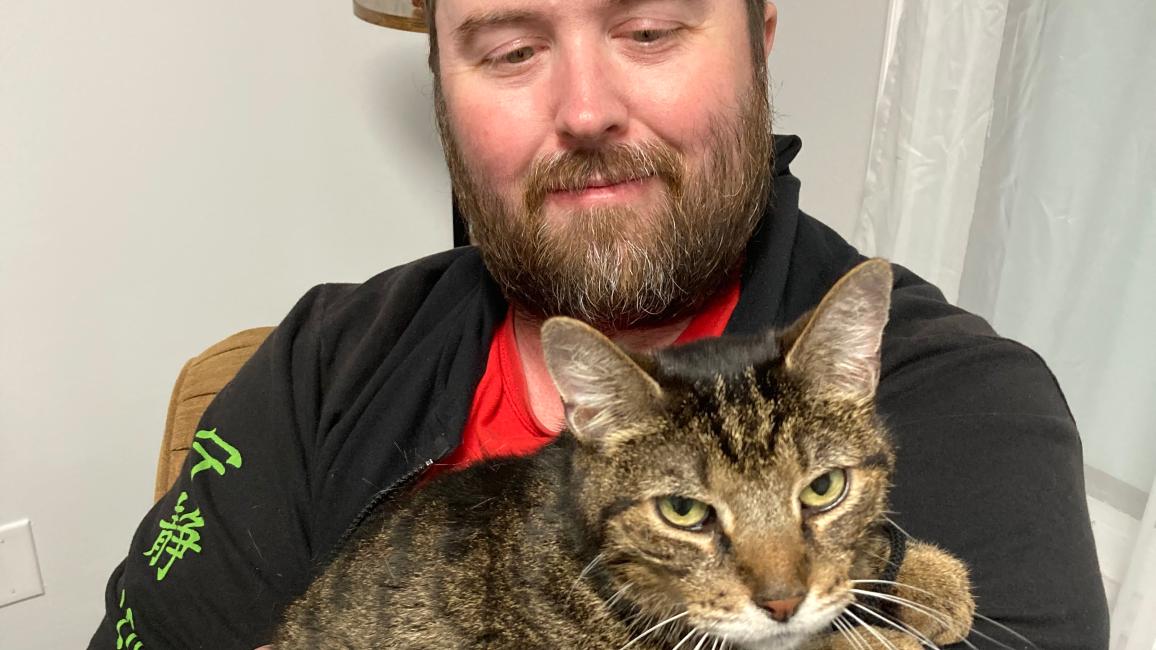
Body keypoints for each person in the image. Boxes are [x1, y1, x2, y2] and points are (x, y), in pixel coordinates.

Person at [90, 1, 1109, 648]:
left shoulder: (972, 406)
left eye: (651, 27)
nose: (585, 109)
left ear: (758, 39)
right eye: (510, 47)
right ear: (443, 91)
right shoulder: (323, 358)